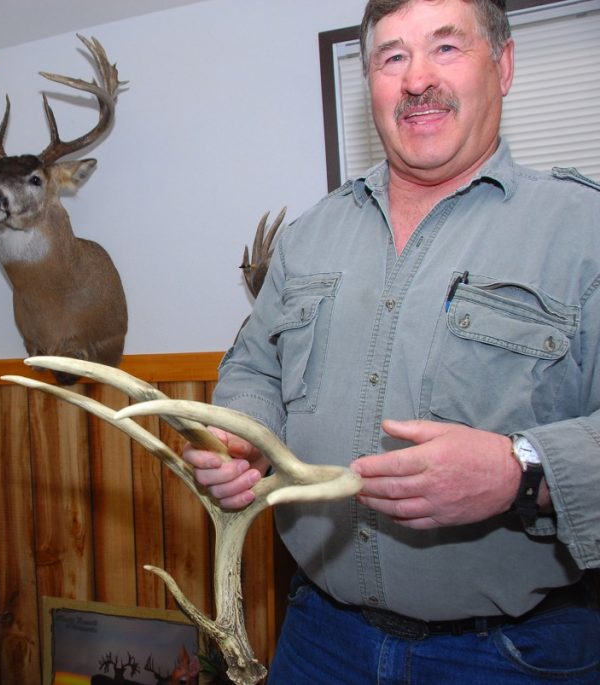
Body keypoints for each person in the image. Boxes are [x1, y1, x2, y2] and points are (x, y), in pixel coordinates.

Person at [183, 0, 600, 682]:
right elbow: (255, 365)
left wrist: (521, 471)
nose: (416, 80)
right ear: (370, 81)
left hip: (515, 654)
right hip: (318, 636)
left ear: (504, 65)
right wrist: (242, 434)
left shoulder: (584, 230)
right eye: (393, 57)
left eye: (446, 48)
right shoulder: (309, 234)